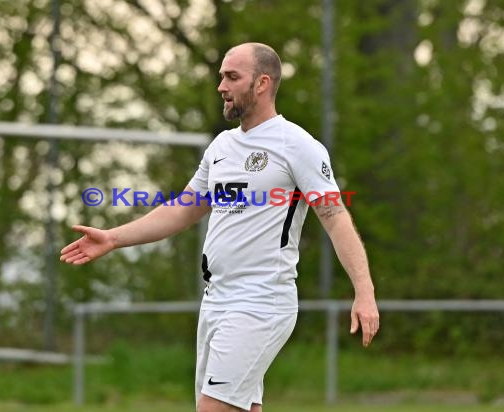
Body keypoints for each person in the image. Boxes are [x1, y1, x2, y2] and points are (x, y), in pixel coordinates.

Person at [60, 42, 379, 412]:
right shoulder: (222, 146)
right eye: (221, 77)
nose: (221, 87)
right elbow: (182, 210)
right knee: (239, 407)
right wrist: (113, 238)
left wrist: (364, 290)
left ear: (262, 83)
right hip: (216, 300)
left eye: (232, 77)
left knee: (213, 408)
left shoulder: (297, 145)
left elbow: (335, 217)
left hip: (261, 301)